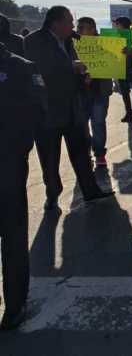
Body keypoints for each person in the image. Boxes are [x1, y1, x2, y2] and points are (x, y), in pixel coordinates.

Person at [24, 6, 114, 210]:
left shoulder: (70, 41)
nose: (73, 26)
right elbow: (40, 67)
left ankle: (91, 191)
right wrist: (72, 67)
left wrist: (84, 78)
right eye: (70, 22)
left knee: (82, 152)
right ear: (56, 23)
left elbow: (75, 67)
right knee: (50, 158)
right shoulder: (34, 40)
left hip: (73, 108)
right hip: (48, 111)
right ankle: (53, 195)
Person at [0, 41, 45, 330]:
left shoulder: (20, 67)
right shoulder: (22, 67)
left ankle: (15, 307)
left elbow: (37, 111)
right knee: (13, 235)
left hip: (8, 161)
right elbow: (38, 112)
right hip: (9, 163)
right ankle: (15, 307)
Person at [76, 17, 112, 168]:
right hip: (79, 92)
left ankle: (100, 154)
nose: (81, 31)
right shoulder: (72, 44)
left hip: (100, 92)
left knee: (98, 124)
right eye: (79, 28)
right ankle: (86, 151)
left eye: (84, 28)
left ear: (93, 29)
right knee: (81, 125)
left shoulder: (106, 43)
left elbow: (113, 61)